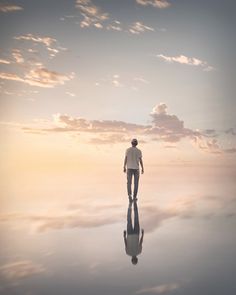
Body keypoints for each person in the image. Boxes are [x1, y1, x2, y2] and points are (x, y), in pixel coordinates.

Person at [123, 201, 144, 265]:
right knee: (129, 219)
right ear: (132, 259)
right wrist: (124, 236)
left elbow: (140, 242)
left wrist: (142, 234)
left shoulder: (139, 252)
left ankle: (134, 203)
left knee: (136, 218)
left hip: (136, 234)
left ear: (137, 259)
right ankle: (130, 204)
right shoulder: (127, 252)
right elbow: (125, 243)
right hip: (129, 235)